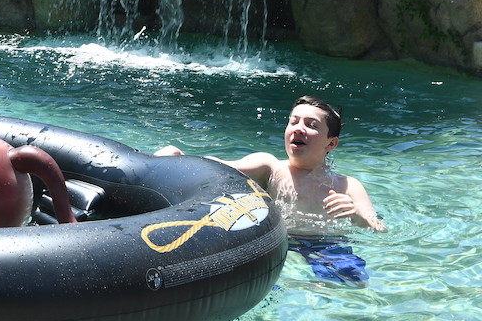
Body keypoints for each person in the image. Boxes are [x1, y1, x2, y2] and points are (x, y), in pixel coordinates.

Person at [155, 96, 384, 286]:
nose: (299, 129)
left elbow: (378, 229)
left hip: (324, 244)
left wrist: (356, 215)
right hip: (274, 241)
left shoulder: (347, 185)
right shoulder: (270, 166)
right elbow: (216, 168)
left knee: (357, 283)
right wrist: (179, 158)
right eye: (293, 122)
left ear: (331, 144)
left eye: (311, 125)